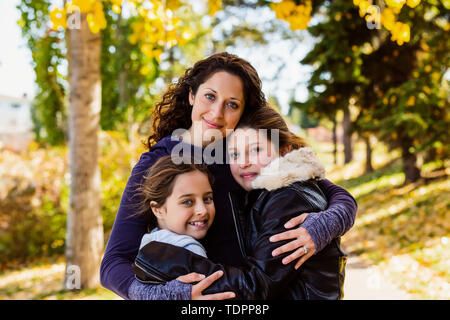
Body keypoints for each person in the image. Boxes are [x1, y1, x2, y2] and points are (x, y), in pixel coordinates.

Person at [100, 52, 357, 300]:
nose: (217, 113)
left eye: (231, 104)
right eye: (209, 96)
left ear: (242, 111)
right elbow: (112, 264)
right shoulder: (157, 162)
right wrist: (160, 296)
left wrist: (326, 224)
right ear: (191, 95)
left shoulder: (245, 154)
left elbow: (328, 190)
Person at [132, 106, 347, 299]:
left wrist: (165, 258)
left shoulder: (288, 198)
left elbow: (257, 286)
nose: (243, 162)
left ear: (284, 150)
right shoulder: (265, 193)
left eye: (255, 150)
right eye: (234, 153)